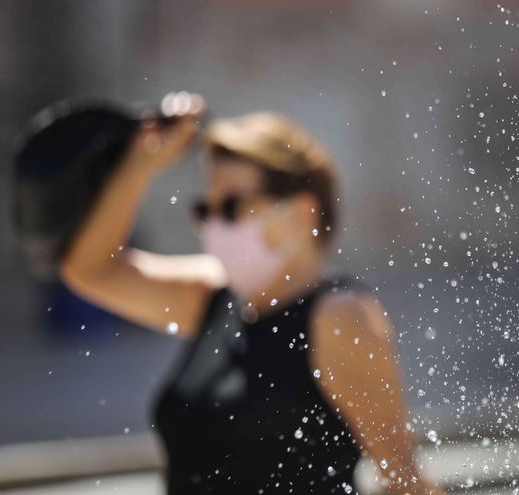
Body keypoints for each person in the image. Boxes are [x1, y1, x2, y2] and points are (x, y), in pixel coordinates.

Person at [60, 92, 441, 495]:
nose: (214, 226)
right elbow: (89, 270)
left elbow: (403, 478)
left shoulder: (338, 315)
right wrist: (141, 164)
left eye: (231, 207)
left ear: (301, 211)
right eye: (204, 210)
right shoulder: (214, 297)